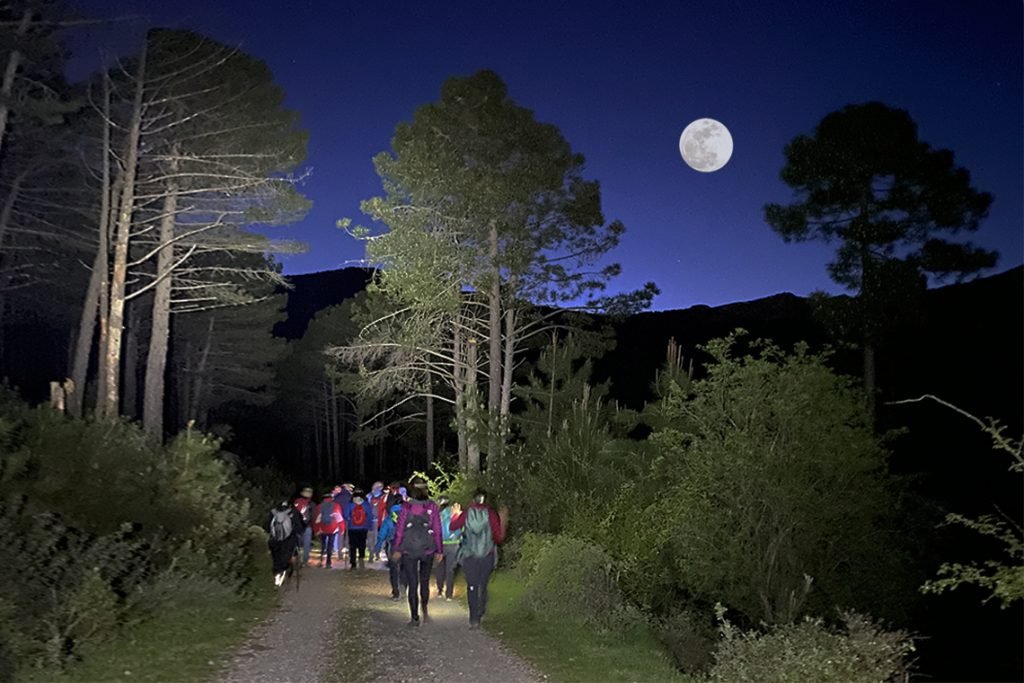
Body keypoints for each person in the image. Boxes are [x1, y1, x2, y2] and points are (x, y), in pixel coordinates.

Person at [450, 488, 507, 628]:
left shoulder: (466, 513)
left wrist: (454, 515)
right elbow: (499, 537)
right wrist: (503, 521)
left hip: (470, 555)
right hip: (487, 555)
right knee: (483, 585)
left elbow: (453, 527)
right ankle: (481, 610)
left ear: (473, 498)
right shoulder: (491, 514)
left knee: (472, 586)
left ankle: (474, 618)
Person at [392, 477, 443, 627]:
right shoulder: (432, 506)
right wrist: (439, 550)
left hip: (409, 549)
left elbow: (400, 530)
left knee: (412, 584)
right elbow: (438, 530)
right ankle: (425, 610)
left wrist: (396, 548)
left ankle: (414, 617)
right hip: (427, 549)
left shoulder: (406, 507)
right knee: (425, 581)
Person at [373, 495, 406, 600]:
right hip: (406, 545)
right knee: (405, 568)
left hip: (392, 545)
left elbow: (382, 534)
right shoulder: (408, 515)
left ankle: (396, 592)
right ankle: (404, 588)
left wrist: (378, 547)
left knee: (394, 569)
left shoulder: (389, 517)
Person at [267, 500, 302, 587]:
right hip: (289, 540)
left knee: (276, 556)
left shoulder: (273, 512)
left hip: (275, 540)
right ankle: (285, 570)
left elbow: (268, 526)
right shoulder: (294, 512)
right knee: (288, 554)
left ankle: (277, 574)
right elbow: (299, 527)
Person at [435, 495, 462, 600]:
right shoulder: (455, 512)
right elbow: (460, 528)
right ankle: (449, 594)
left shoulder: (436, 514)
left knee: (439, 568)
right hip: (453, 543)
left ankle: (439, 591)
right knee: (450, 569)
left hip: (440, 544)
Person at [344, 488, 374, 569]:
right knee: (362, 544)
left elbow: (346, 515)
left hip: (352, 528)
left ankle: (353, 562)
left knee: (352, 545)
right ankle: (361, 558)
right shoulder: (366, 504)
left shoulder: (350, 504)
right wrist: (370, 526)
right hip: (363, 528)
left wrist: (349, 520)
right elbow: (370, 516)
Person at [315, 493, 343, 568]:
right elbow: (339, 518)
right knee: (330, 545)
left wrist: (316, 530)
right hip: (333, 528)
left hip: (322, 528)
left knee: (323, 544)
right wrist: (342, 528)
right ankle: (328, 562)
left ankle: (321, 560)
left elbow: (316, 520)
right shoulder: (336, 505)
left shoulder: (319, 506)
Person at [292, 486, 316, 565]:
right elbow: (313, 516)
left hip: (296, 526)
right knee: (306, 545)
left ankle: (296, 558)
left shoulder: (296, 502)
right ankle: (304, 561)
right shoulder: (312, 504)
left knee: (296, 543)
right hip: (307, 526)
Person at [367, 481, 387, 556]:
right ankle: (374, 552)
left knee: (377, 536)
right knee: (374, 536)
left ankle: (376, 551)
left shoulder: (370, 496)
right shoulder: (370, 496)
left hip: (379, 520)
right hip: (374, 520)